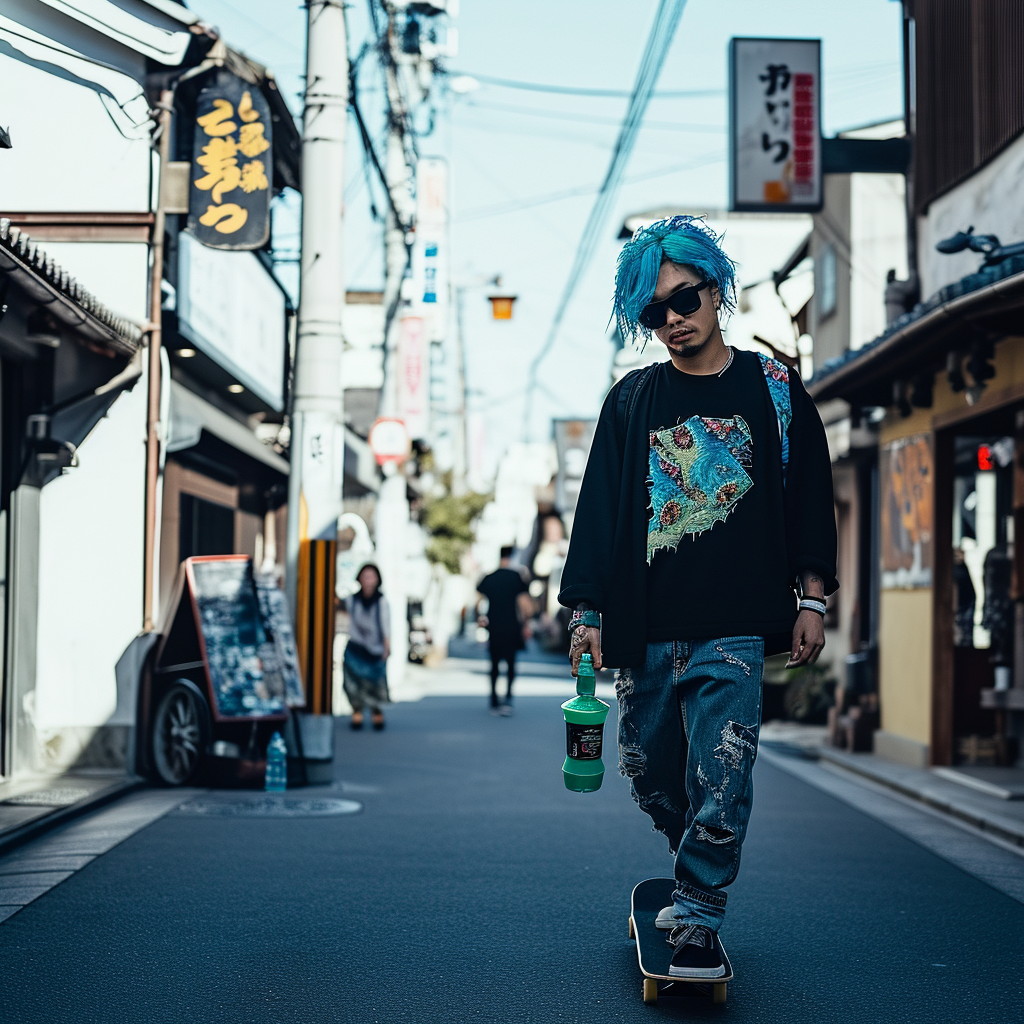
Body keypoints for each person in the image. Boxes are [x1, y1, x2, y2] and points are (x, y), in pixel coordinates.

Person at [559, 215, 837, 980]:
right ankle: (694, 868)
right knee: (650, 772)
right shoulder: (631, 401)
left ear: (717, 292)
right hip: (645, 626)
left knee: (724, 771)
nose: (674, 320)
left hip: (737, 626)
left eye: (687, 299)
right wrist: (587, 613)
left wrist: (811, 599)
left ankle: (700, 915)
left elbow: (811, 497)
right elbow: (598, 510)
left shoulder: (773, 389)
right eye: (655, 312)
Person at [477, 546, 533, 715]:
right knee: (510, 663)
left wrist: (480, 618)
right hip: (511, 627)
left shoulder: (489, 578)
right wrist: (526, 623)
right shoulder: (516, 577)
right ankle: (508, 697)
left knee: (494, 663)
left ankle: (493, 699)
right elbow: (525, 605)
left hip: (493, 626)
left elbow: (478, 601)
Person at [342, 563, 391, 731]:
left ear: (377, 580)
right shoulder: (351, 600)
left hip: (375, 649)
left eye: (371, 577)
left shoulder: (381, 601)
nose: (368, 580)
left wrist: (386, 647)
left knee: (374, 684)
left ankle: (376, 713)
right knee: (353, 684)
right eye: (365, 576)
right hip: (356, 648)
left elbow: (386, 626)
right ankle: (357, 713)